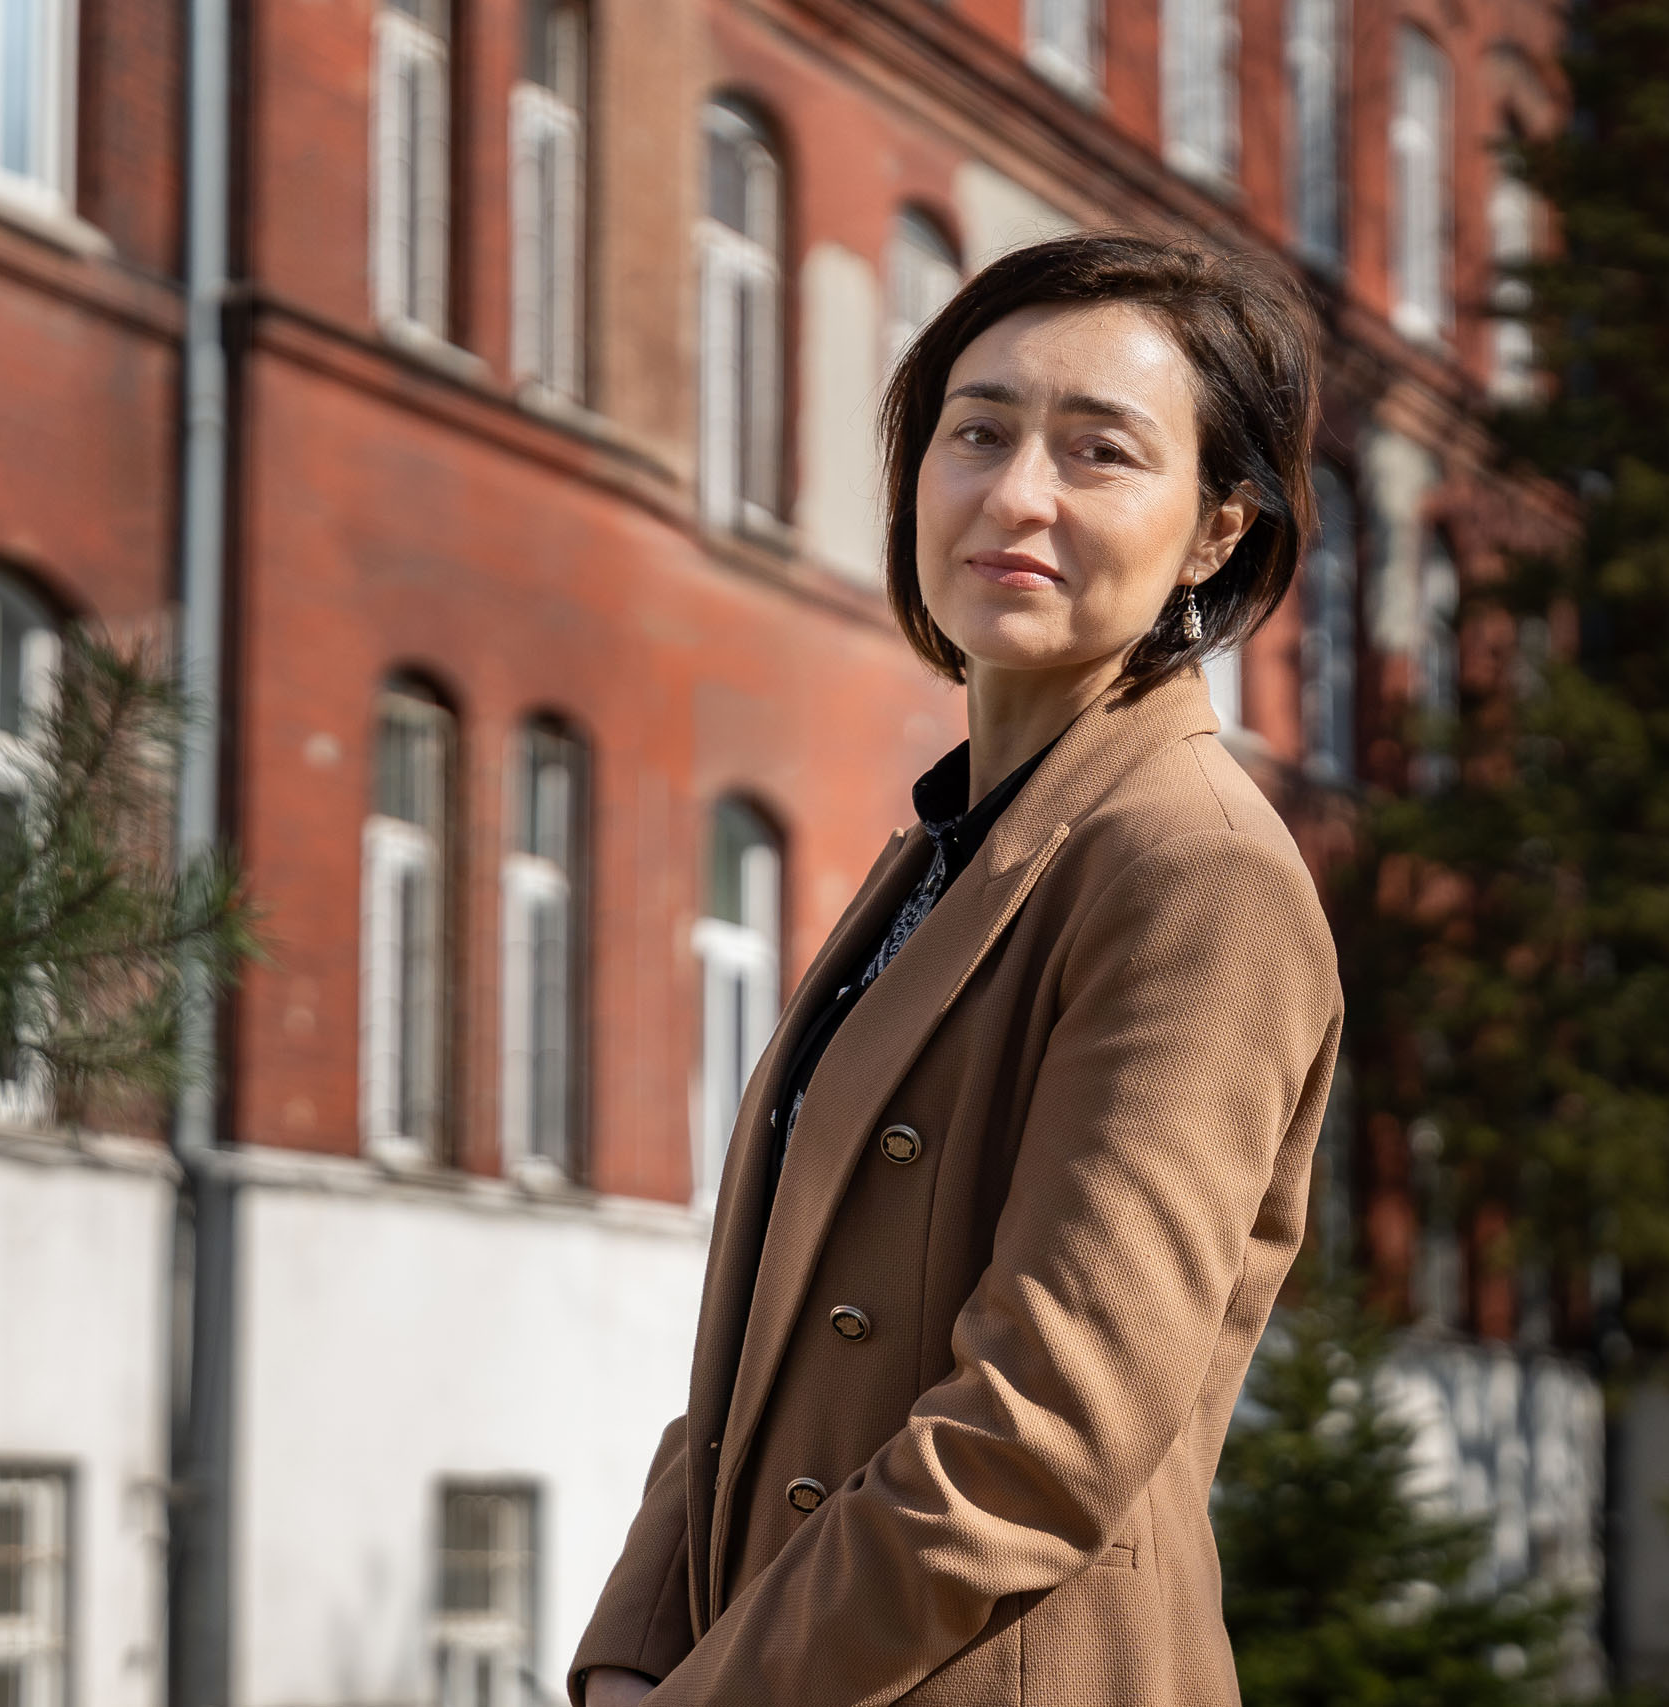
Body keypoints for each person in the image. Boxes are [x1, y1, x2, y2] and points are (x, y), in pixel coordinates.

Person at [570, 233, 1343, 1704]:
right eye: (976, 430)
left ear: (1214, 532)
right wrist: (634, 1652)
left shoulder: (1196, 873)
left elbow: (1044, 1427)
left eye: (1099, 451)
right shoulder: (942, 856)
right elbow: (757, 1348)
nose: (1015, 494)